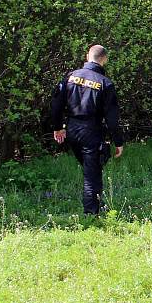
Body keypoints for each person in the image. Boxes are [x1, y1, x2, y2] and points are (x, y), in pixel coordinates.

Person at [51, 45, 124, 214]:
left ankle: (96, 203)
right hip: (91, 130)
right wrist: (118, 141)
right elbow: (112, 119)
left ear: (87, 56)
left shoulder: (70, 77)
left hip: (72, 129)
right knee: (92, 175)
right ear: (104, 59)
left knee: (90, 169)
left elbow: (56, 105)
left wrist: (58, 128)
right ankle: (91, 216)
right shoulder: (105, 83)